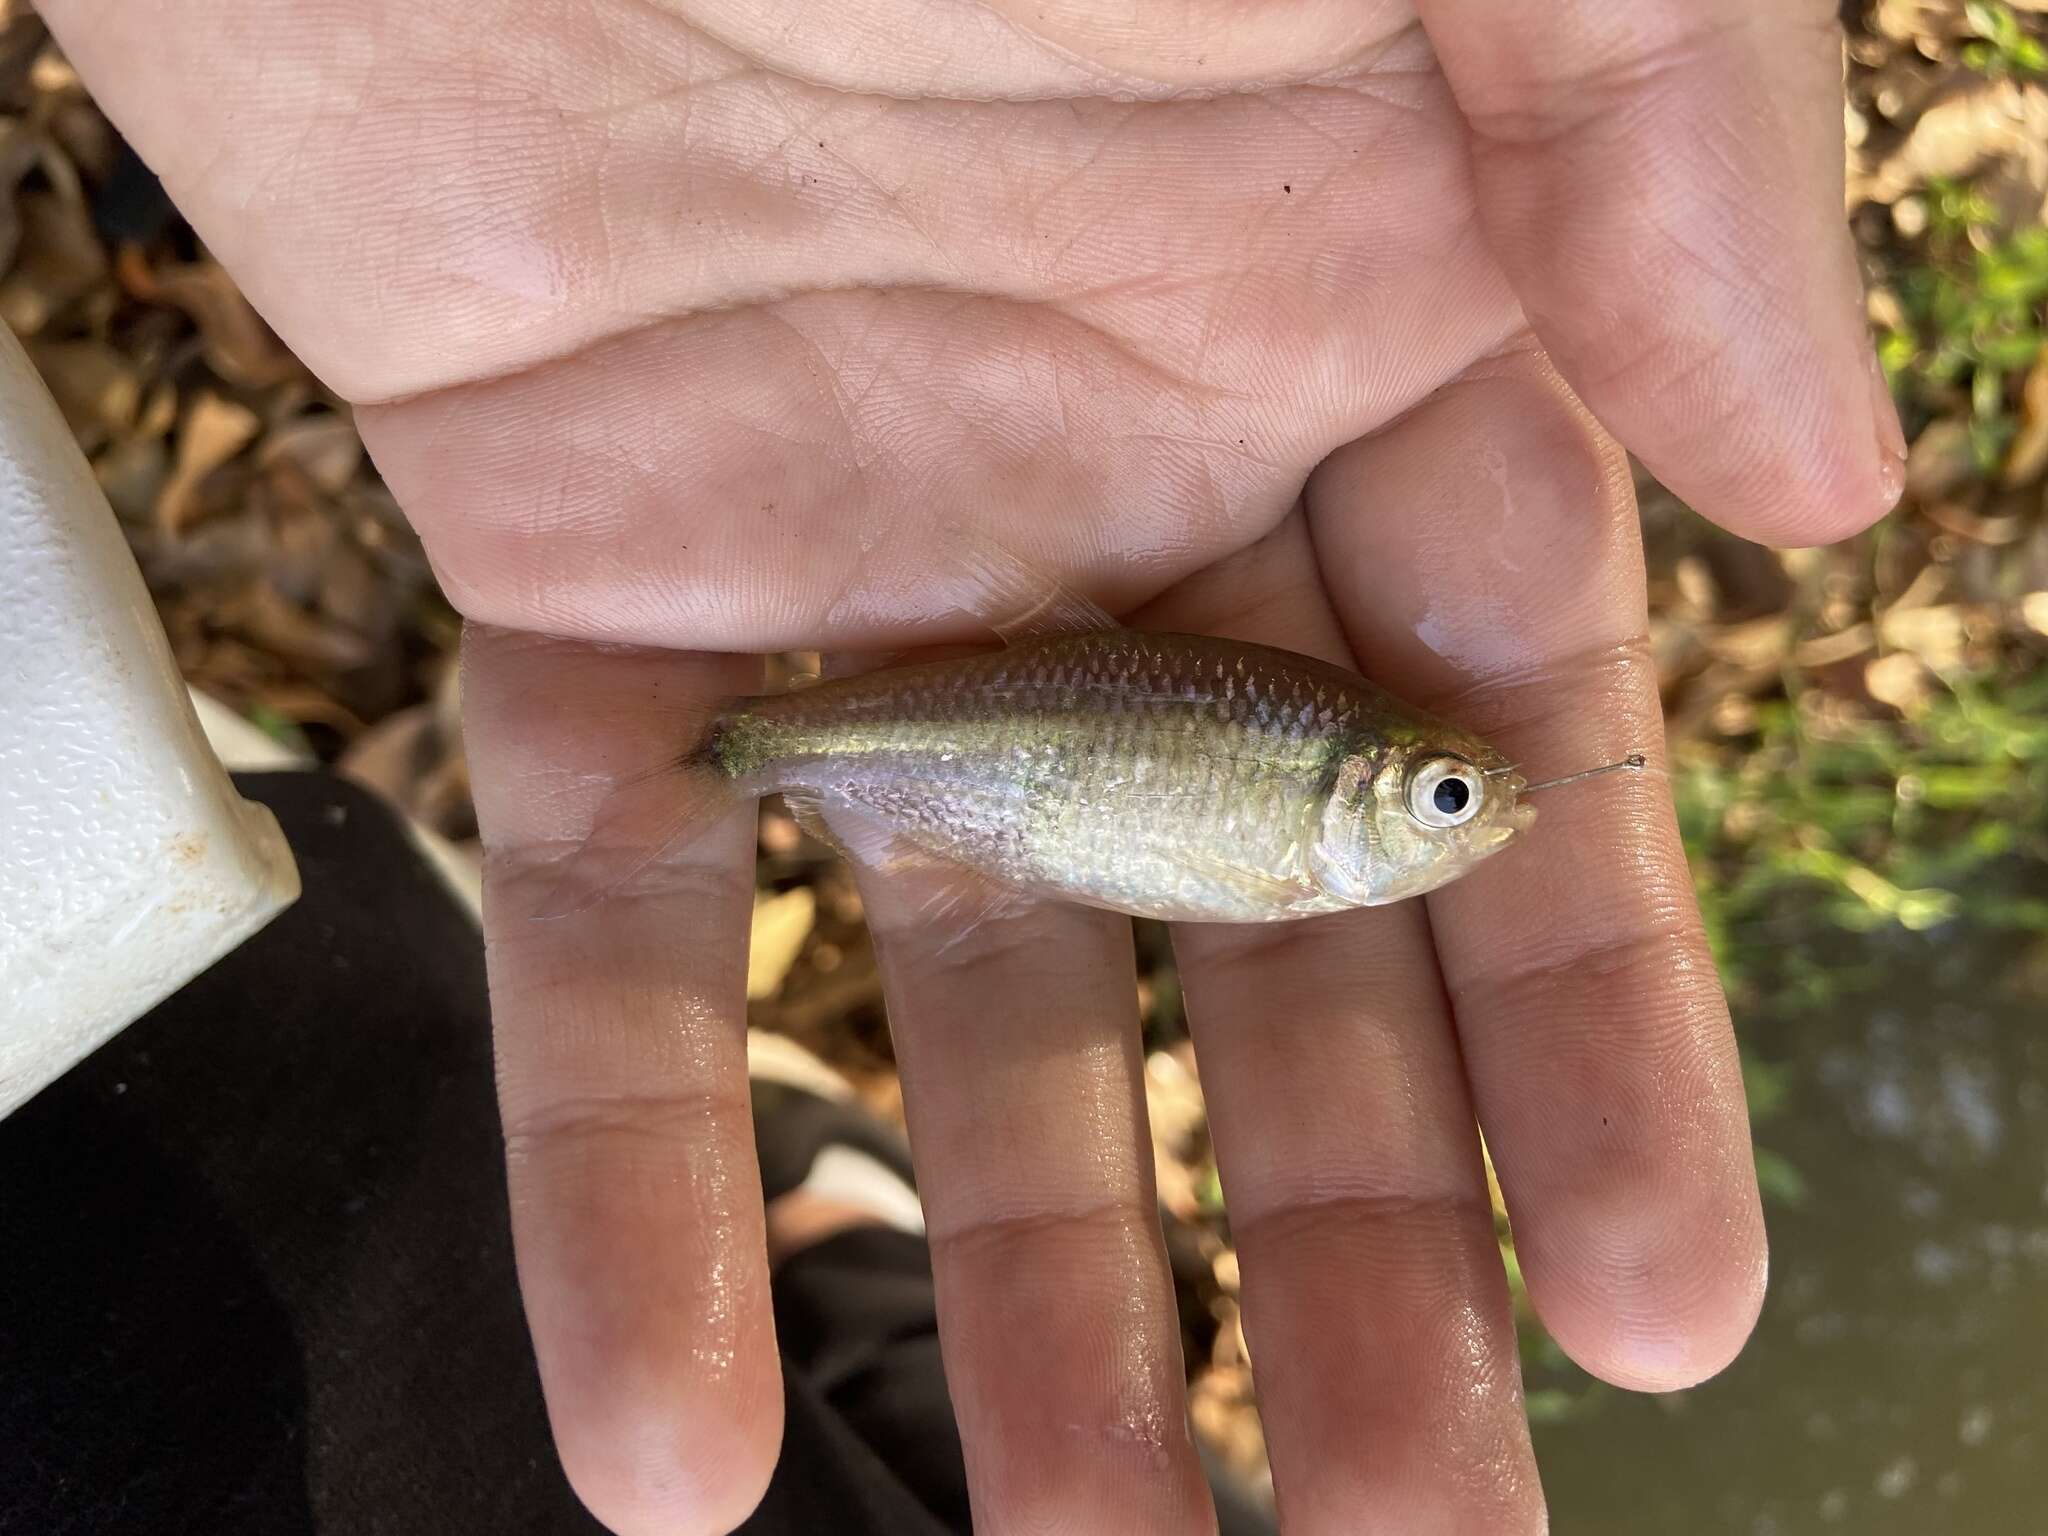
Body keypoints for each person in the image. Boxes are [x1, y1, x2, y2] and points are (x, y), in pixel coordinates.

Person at [35, 3, 1901, 1531]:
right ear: (1365, 783)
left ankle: (836, 1208)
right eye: (1444, 795)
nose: (1470, 816)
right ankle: (841, 1212)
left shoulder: (1309, 767)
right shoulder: (1296, 789)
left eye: (1457, 799)